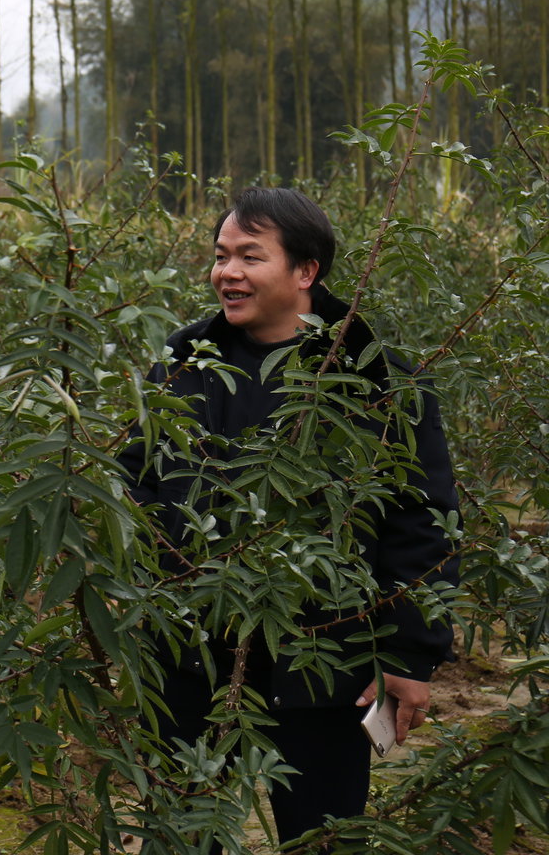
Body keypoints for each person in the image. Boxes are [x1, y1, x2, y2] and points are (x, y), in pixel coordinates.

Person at [120, 187, 458, 848]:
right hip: (191, 661)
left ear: (306, 271)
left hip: (324, 666)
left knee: (323, 839)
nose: (227, 273)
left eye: (250, 255)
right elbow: (135, 484)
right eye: (220, 256)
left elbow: (424, 520)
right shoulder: (182, 363)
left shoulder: (378, 376)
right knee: (186, 836)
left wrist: (410, 654)